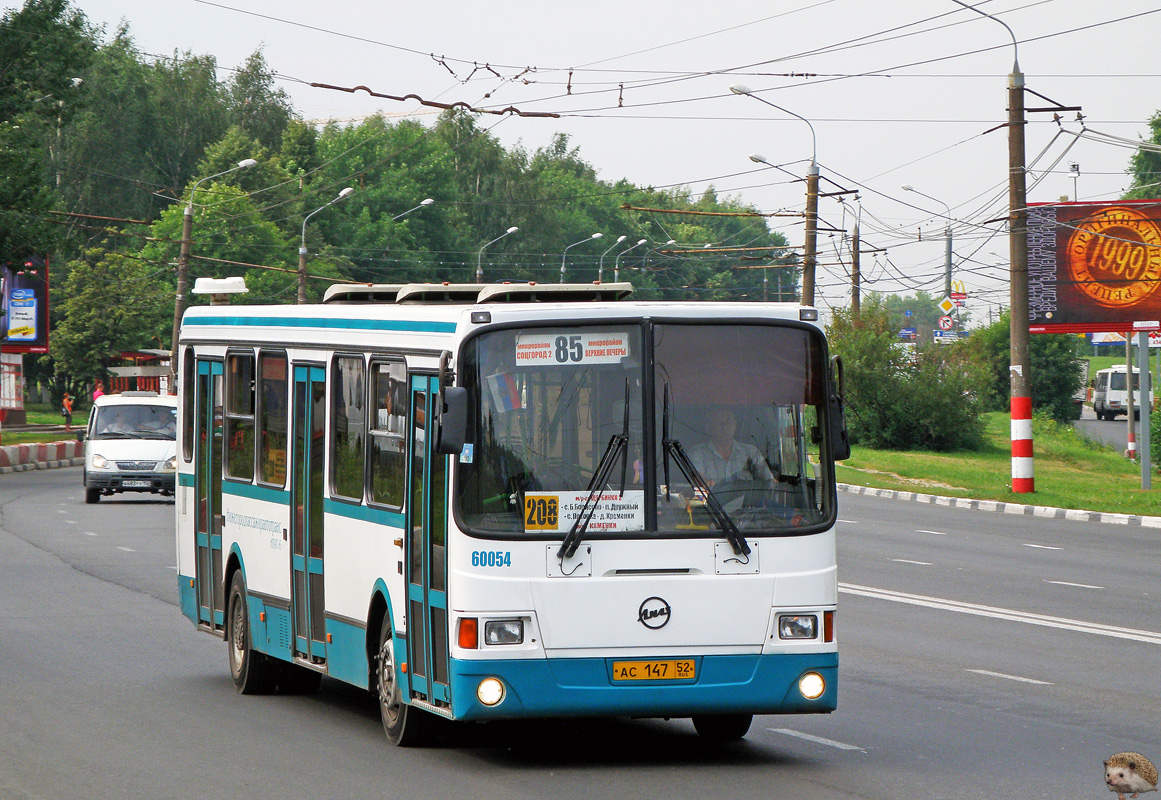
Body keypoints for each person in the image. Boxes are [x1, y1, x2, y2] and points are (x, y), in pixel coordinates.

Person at [688, 406, 774, 486]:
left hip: (748, 502)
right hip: (711, 501)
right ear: (708, 427)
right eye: (718, 422)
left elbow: (770, 484)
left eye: (728, 421)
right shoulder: (697, 453)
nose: (724, 426)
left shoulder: (751, 452)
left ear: (735, 425)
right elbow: (699, 483)